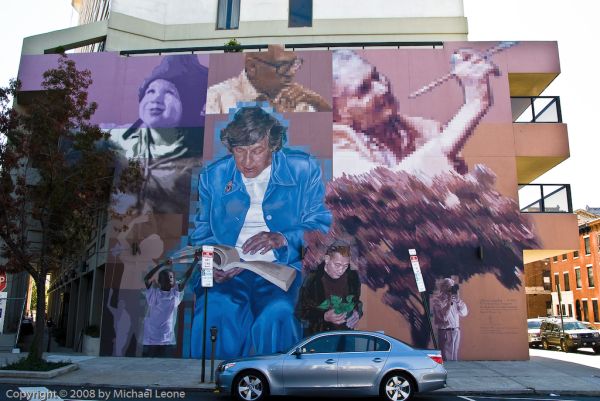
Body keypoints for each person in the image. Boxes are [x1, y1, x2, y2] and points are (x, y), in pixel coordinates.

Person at [189, 105, 331, 359]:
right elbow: (201, 234)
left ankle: (278, 383)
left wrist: (282, 237)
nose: (246, 161)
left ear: (273, 146)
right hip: (230, 273)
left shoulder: (303, 169)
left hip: (282, 271)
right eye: (239, 151)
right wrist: (214, 266)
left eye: (256, 151)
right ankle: (211, 384)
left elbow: (320, 224)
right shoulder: (214, 176)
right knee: (214, 311)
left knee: (279, 313)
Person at [331, 48, 497, 179]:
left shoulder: (427, 130)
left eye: (376, 76)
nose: (383, 88)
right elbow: (390, 190)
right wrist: (474, 105)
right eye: (364, 89)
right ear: (338, 115)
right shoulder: (333, 154)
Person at [110, 54, 207, 214]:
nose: (156, 98)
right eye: (150, 91)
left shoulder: (200, 156)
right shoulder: (117, 138)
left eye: (169, 93)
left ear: (186, 104)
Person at [206, 45, 331, 114]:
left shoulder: (297, 98)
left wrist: (318, 103)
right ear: (252, 67)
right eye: (283, 66)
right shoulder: (217, 97)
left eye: (295, 63)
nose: (292, 73)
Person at [296, 243, 362, 336]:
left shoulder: (352, 277)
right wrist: (324, 316)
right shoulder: (312, 279)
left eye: (345, 266)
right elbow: (300, 313)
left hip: (346, 335)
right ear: (327, 259)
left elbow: (357, 302)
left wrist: (357, 312)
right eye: (337, 265)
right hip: (318, 336)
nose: (341, 270)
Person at [141, 255, 196, 358]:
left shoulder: (175, 294)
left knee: (165, 368)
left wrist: (195, 261)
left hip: (167, 341)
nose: (171, 279)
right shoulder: (154, 294)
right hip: (150, 341)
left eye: (172, 277)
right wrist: (162, 265)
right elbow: (147, 279)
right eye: (167, 277)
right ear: (160, 281)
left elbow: (186, 277)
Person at [431, 278, 468, 361]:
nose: (450, 289)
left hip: (456, 331)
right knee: (446, 358)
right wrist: (449, 302)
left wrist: (458, 301)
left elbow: (464, 313)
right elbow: (443, 317)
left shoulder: (455, 299)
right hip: (445, 332)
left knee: (454, 357)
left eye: (451, 287)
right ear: (442, 288)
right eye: (448, 287)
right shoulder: (437, 300)